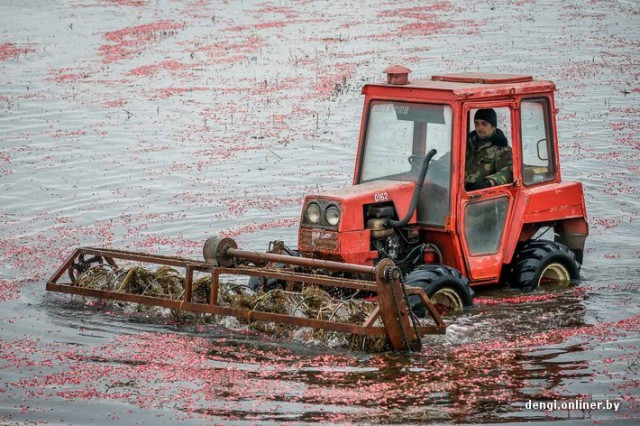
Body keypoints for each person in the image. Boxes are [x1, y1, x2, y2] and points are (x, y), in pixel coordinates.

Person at [465, 108, 513, 191]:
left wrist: (489, 183)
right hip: (459, 190)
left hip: (483, 196)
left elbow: (509, 171)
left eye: (484, 124)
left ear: (493, 126)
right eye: (477, 124)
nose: (479, 128)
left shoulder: (502, 150)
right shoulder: (466, 144)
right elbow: (451, 157)